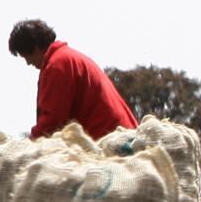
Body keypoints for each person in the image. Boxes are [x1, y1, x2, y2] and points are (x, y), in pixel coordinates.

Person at [7, 20, 138, 140]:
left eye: (26, 56)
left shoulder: (57, 65)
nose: (28, 63)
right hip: (121, 133)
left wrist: (28, 144)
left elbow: (52, 121)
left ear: (35, 47)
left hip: (111, 140)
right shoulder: (68, 57)